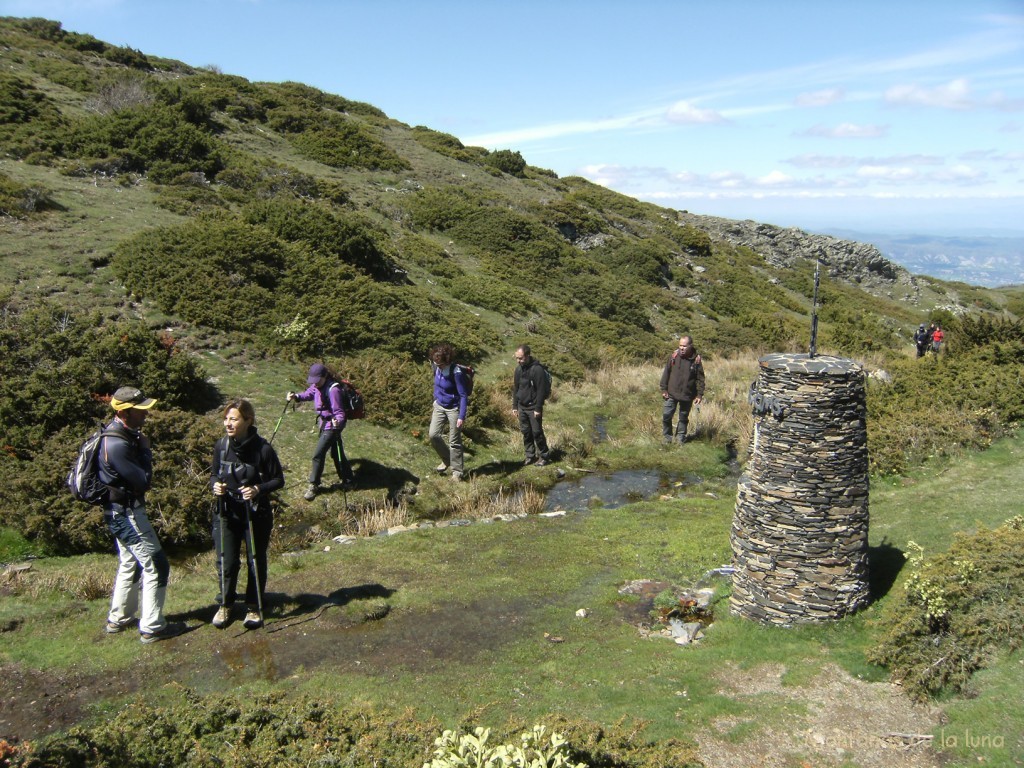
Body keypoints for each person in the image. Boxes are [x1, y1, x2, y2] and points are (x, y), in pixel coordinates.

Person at [99, 386, 181, 643]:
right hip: (128, 514)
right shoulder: (117, 445)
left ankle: (119, 619)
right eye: (140, 410)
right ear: (124, 412)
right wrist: (146, 451)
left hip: (116, 512)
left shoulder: (115, 435)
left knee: (130, 562)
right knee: (156, 564)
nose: (146, 414)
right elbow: (143, 481)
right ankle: (152, 626)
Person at [211, 399, 284, 630]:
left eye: (233, 419)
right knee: (227, 561)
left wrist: (257, 489)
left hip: (255, 514)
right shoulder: (221, 446)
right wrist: (215, 486)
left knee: (255, 560)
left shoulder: (263, 449)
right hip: (226, 512)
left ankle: (253, 606)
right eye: (226, 419)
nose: (228, 423)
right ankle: (225, 604)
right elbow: (214, 475)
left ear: (248, 421)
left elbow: (278, 480)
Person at [287, 363, 354, 500]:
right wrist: (296, 397)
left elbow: (340, 413)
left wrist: (338, 422)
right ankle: (348, 480)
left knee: (318, 454)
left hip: (332, 426)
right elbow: (308, 394)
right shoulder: (317, 386)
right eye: (313, 381)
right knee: (337, 452)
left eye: (317, 381)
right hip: (324, 424)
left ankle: (314, 484)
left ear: (324, 376)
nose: (315, 384)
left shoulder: (333, 390)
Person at [429, 343, 470, 482]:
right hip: (439, 405)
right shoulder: (437, 366)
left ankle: (457, 473)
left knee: (454, 441)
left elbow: (463, 395)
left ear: (446, 360)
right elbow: (437, 384)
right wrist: (436, 399)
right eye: (435, 363)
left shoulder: (456, 372)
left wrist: (461, 416)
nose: (437, 366)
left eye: (439, 364)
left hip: (454, 409)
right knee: (433, 435)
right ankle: (447, 460)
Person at [660, 336, 705, 445]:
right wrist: (664, 389)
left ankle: (680, 437)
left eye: (684, 346)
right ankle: (667, 437)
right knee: (666, 415)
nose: (682, 348)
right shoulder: (673, 357)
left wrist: (699, 395)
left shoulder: (696, 360)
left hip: (687, 394)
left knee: (683, 418)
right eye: (680, 345)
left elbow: (700, 378)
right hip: (671, 393)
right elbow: (666, 373)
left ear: (690, 346)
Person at [511, 344, 551, 466]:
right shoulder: (518, 369)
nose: (519, 361)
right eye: (517, 358)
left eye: (521, 358)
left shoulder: (537, 370)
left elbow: (541, 390)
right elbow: (516, 388)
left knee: (537, 432)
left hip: (533, 407)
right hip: (522, 407)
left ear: (527, 356)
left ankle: (544, 456)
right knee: (526, 432)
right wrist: (514, 406)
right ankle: (530, 456)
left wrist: (538, 408)